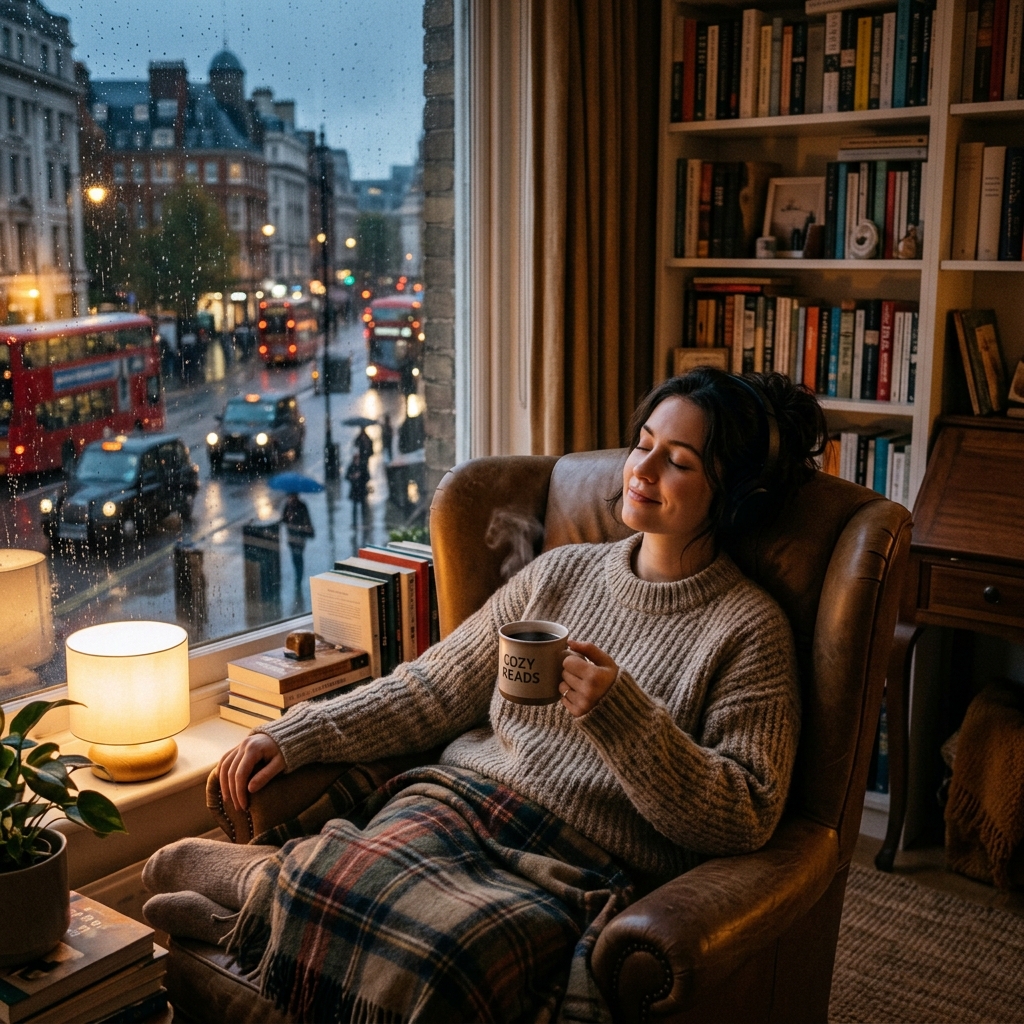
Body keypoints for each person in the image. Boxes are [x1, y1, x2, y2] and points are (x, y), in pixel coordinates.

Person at [143, 370, 826, 1023]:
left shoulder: (749, 629)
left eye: (677, 461)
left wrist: (624, 720)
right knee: (384, 875)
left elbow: (745, 816)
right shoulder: (561, 572)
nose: (641, 471)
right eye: (643, 444)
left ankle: (264, 896)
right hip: (462, 802)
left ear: (731, 491)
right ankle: (283, 893)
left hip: (576, 858)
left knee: (455, 959)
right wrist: (300, 732)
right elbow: (434, 686)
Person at [279, 492, 314, 591]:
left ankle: (299, 578)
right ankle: (298, 576)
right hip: (291, 537)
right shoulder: (287, 506)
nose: (291, 498)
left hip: (300, 538)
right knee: (295, 558)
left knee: (298, 557)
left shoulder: (302, 506)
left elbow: (307, 520)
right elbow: (284, 520)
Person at [344, 449, 370, 526]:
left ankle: (364, 522)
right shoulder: (351, 466)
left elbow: (368, 477)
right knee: (354, 507)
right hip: (354, 489)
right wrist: (352, 477)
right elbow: (346, 477)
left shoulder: (363, 466)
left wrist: (360, 477)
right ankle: (354, 523)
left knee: (363, 507)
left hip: (361, 489)